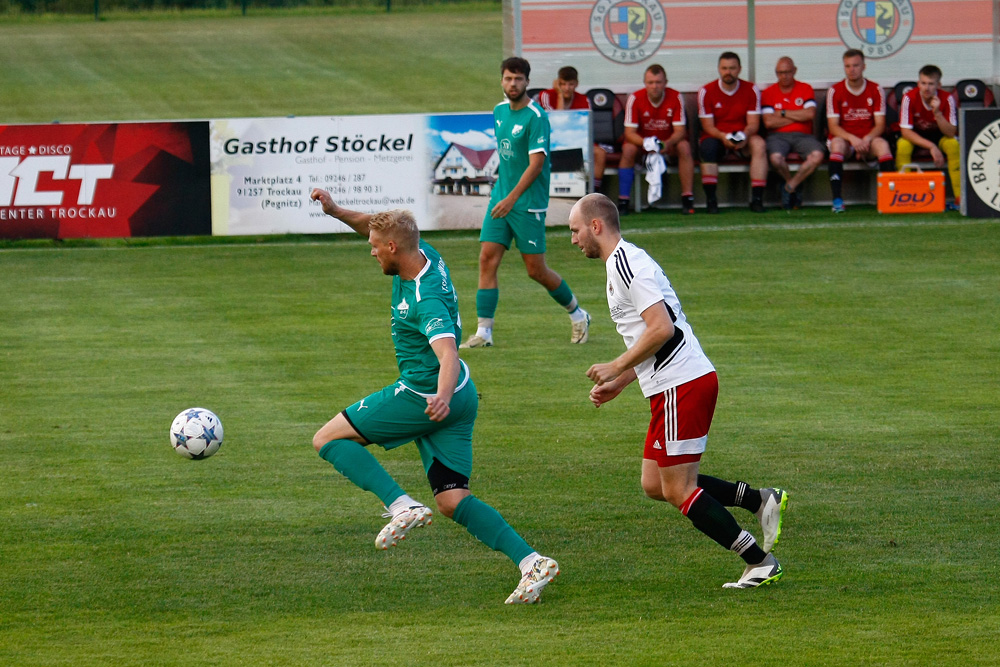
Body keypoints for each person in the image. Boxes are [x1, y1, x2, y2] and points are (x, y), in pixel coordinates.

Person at [308, 189, 559, 604]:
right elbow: (376, 226)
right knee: (452, 499)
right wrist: (335, 212)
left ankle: (401, 505)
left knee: (327, 439)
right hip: (463, 396)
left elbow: (447, 352)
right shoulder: (422, 252)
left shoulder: (426, 300)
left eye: (375, 249)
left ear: (392, 248)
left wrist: (438, 398)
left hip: (426, 396)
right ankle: (531, 561)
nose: (370, 253)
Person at [568, 192, 788, 589]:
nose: (573, 239)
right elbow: (655, 333)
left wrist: (616, 365)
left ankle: (759, 561)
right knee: (654, 484)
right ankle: (759, 500)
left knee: (678, 489)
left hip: (681, 384)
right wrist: (621, 382)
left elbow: (662, 330)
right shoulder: (621, 264)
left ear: (595, 226)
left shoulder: (626, 265)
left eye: (575, 230)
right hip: (671, 385)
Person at [461, 57, 590, 349]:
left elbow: (536, 164)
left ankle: (578, 314)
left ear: (527, 82)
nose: (512, 84)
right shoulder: (499, 111)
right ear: (502, 80)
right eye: (508, 78)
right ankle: (484, 332)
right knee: (486, 259)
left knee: (536, 270)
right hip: (502, 199)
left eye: (518, 79)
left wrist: (511, 198)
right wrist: (502, 196)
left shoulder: (536, 116)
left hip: (527, 203)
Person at [617, 63, 696, 215]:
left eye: (658, 82)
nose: (654, 86)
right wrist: (646, 144)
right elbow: (629, 133)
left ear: (665, 83)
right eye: (650, 82)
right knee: (628, 148)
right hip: (643, 146)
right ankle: (623, 201)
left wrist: (666, 143)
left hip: (667, 144)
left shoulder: (675, 96)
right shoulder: (635, 98)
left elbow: (680, 131)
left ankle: (688, 199)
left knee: (684, 146)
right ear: (645, 83)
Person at [697, 52, 767, 213]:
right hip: (717, 136)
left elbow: (753, 123)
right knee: (707, 148)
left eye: (732, 68)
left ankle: (757, 199)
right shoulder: (706, 91)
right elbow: (707, 126)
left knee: (759, 143)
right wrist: (723, 137)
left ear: (739, 69)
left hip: (743, 136)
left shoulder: (751, 89)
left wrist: (744, 135)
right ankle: (711, 201)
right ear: (719, 69)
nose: (728, 72)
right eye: (724, 68)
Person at [826, 49, 894, 213]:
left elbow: (880, 125)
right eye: (848, 66)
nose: (852, 70)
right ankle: (837, 200)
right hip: (845, 139)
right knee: (837, 145)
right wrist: (853, 140)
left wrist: (866, 139)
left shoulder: (876, 90)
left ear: (864, 66)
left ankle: (889, 199)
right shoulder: (835, 91)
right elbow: (833, 126)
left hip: (867, 139)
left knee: (883, 146)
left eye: (856, 65)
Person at [761, 57, 826, 210]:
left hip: (803, 136)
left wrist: (782, 112)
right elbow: (769, 123)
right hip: (776, 136)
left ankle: (789, 186)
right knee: (775, 159)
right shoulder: (768, 93)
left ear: (794, 71)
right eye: (780, 73)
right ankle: (793, 186)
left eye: (787, 72)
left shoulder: (805, 89)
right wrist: (797, 116)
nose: (784, 76)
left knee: (817, 156)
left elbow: (809, 115)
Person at [896, 64, 961, 210]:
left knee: (953, 145)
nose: (927, 88)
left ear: (939, 85)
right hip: (917, 138)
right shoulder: (909, 98)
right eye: (923, 83)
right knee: (903, 145)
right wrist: (931, 147)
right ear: (918, 83)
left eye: (931, 84)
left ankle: (960, 198)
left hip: (941, 137)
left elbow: (951, 132)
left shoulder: (947, 98)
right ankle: (905, 195)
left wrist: (937, 113)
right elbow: (906, 132)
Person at [537, 66, 609, 192]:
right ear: (557, 83)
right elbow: (556, 123)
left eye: (570, 84)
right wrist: (560, 96)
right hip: (552, 140)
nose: (566, 88)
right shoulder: (546, 95)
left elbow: (586, 126)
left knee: (600, 153)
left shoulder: (584, 99)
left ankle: (593, 190)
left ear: (576, 84)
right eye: (563, 84)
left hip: (578, 139)